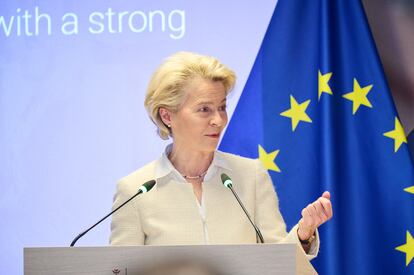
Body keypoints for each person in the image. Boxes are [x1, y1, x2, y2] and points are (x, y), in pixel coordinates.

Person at [110, 52, 333, 259]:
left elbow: (276, 260)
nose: (219, 120)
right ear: (167, 115)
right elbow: (119, 269)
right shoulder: (135, 191)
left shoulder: (251, 175)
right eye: (204, 109)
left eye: (222, 107)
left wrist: (303, 233)